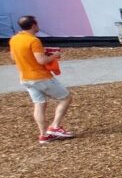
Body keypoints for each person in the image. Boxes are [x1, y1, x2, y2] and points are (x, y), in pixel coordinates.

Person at [9, 15, 74, 143]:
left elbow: (13, 58)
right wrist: (54, 55)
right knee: (66, 98)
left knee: (39, 104)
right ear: (33, 25)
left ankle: (43, 134)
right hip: (40, 77)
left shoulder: (14, 39)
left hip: (25, 78)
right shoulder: (33, 41)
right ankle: (55, 126)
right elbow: (41, 60)